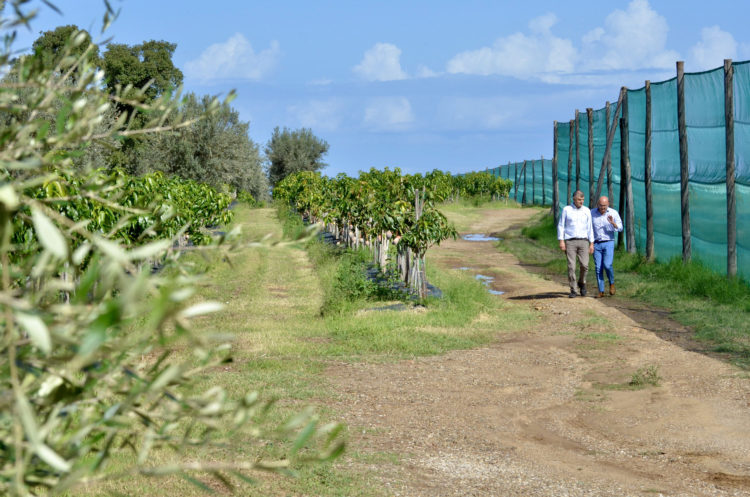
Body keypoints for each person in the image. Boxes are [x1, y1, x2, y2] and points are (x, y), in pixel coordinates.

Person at [557, 190, 594, 298]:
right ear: (574, 199)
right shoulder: (567, 210)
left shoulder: (587, 211)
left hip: (584, 241)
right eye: (579, 199)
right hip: (570, 241)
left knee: (585, 265)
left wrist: (592, 243)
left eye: (582, 200)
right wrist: (561, 241)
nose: (581, 202)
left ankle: (582, 282)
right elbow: (561, 225)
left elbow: (590, 227)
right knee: (571, 266)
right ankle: (573, 289)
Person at [591, 196, 623, 298]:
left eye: (604, 206)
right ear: (597, 205)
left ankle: (612, 283)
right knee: (598, 267)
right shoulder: (591, 213)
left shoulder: (613, 213)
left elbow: (621, 227)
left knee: (607, 265)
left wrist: (613, 223)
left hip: (609, 242)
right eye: (601, 206)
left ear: (608, 204)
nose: (602, 208)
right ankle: (601, 290)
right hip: (596, 243)